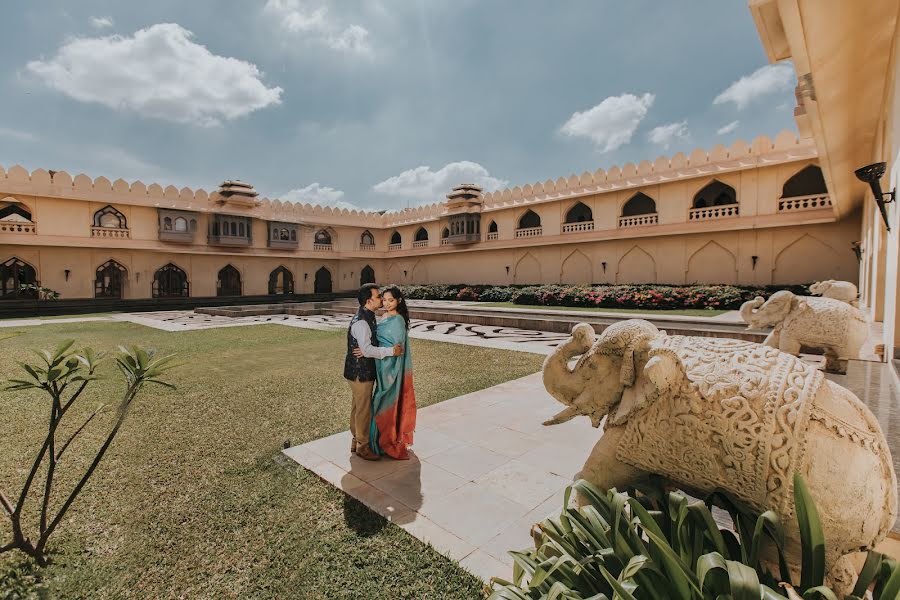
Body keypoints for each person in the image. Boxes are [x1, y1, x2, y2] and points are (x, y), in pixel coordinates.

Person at [353, 286, 417, 460]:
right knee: (365, 406)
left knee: (383, 402)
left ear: (399, 301)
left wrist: (367, 350)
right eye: (384, 299)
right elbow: (377, 339)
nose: (387, 303)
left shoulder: (398, 320)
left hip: (390, 369)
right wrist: (366, 349)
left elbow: (397, 349)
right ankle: (365, 442)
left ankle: (385, 440)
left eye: (391, 300)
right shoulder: (382, 316)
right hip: (378, 366)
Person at [344, 283, 402, 461]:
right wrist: (391, 351)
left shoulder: (367, 316)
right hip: (360, 373)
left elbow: (367, 347)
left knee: (357, 407)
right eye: (378, 297)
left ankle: (355, 441)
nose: (381, 300)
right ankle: (363, 446)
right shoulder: (361, 322)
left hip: (359, 370)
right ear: (369, 301)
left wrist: (367, 349)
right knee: (363, 409)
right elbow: (367, 350)